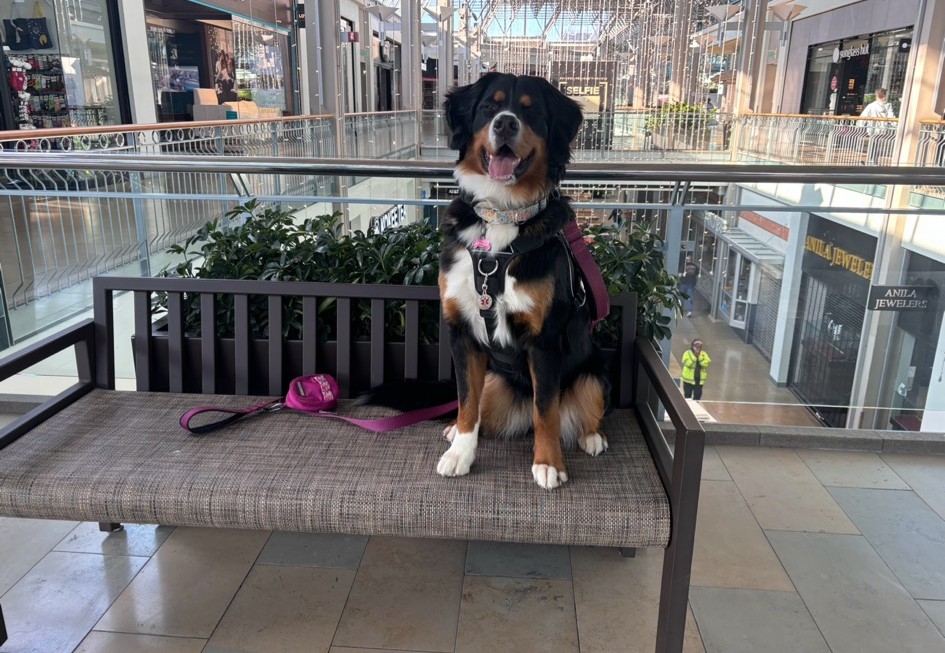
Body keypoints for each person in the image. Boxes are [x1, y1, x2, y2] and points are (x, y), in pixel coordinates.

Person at [860, 88, 896, 164]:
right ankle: (873, 161)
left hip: (872, 128)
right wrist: (896, 125)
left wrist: (860, 125)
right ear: (884, 96)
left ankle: (871, 160)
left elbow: (863, 116)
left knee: (872, 144)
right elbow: (891, 117)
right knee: (877, 144)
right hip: (882, 128)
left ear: (876, 96)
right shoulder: (888, 105)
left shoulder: (871, 105)